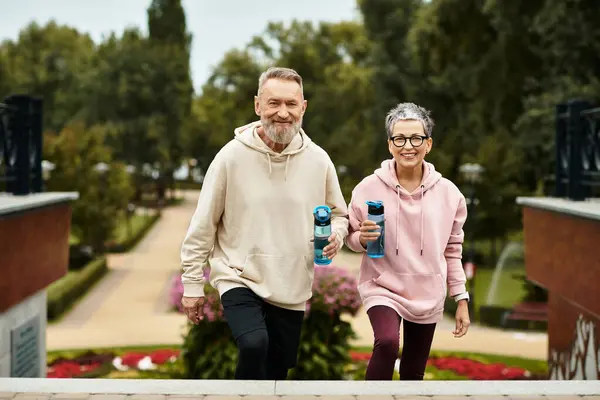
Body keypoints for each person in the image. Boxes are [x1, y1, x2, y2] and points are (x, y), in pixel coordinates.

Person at [179, 67, 349, 380]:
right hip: (238, 275)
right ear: (258, 105)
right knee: (254, 344)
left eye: (290, 104)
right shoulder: (230, 157)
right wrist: (192, 284)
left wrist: (337, 234)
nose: (282, 113)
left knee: (275, 372)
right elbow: (203, 223)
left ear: (303, 107)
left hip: (291, 282)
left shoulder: (319, 160)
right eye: (273, 103)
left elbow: (340, 214)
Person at [345, 102, 471, 381]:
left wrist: (460, 298)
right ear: (390, 145)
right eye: (399, 139)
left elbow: (453, 250)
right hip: (382, 285)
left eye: (416, 138)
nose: (408, 146)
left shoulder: (450, 194)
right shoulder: (368, 187)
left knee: (413, 372)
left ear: (428, 144)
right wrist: (361, 240)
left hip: (427, 291)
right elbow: (350, 236)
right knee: (388, 343)